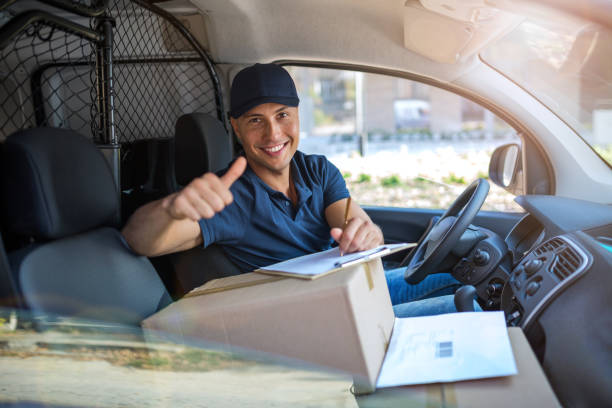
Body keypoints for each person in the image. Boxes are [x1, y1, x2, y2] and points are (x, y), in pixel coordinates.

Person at [122, 63, 465, 317]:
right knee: (465, 308)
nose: (273, 134)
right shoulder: (228, 196)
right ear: (236, 128)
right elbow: (139, 241)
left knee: (461, 283)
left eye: (282, 115)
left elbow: (352, 220)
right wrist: (170, 210)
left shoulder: (317, 169)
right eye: (256, 120)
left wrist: (367, 234)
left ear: (298, 115)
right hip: (315, 318)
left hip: (353, 288)